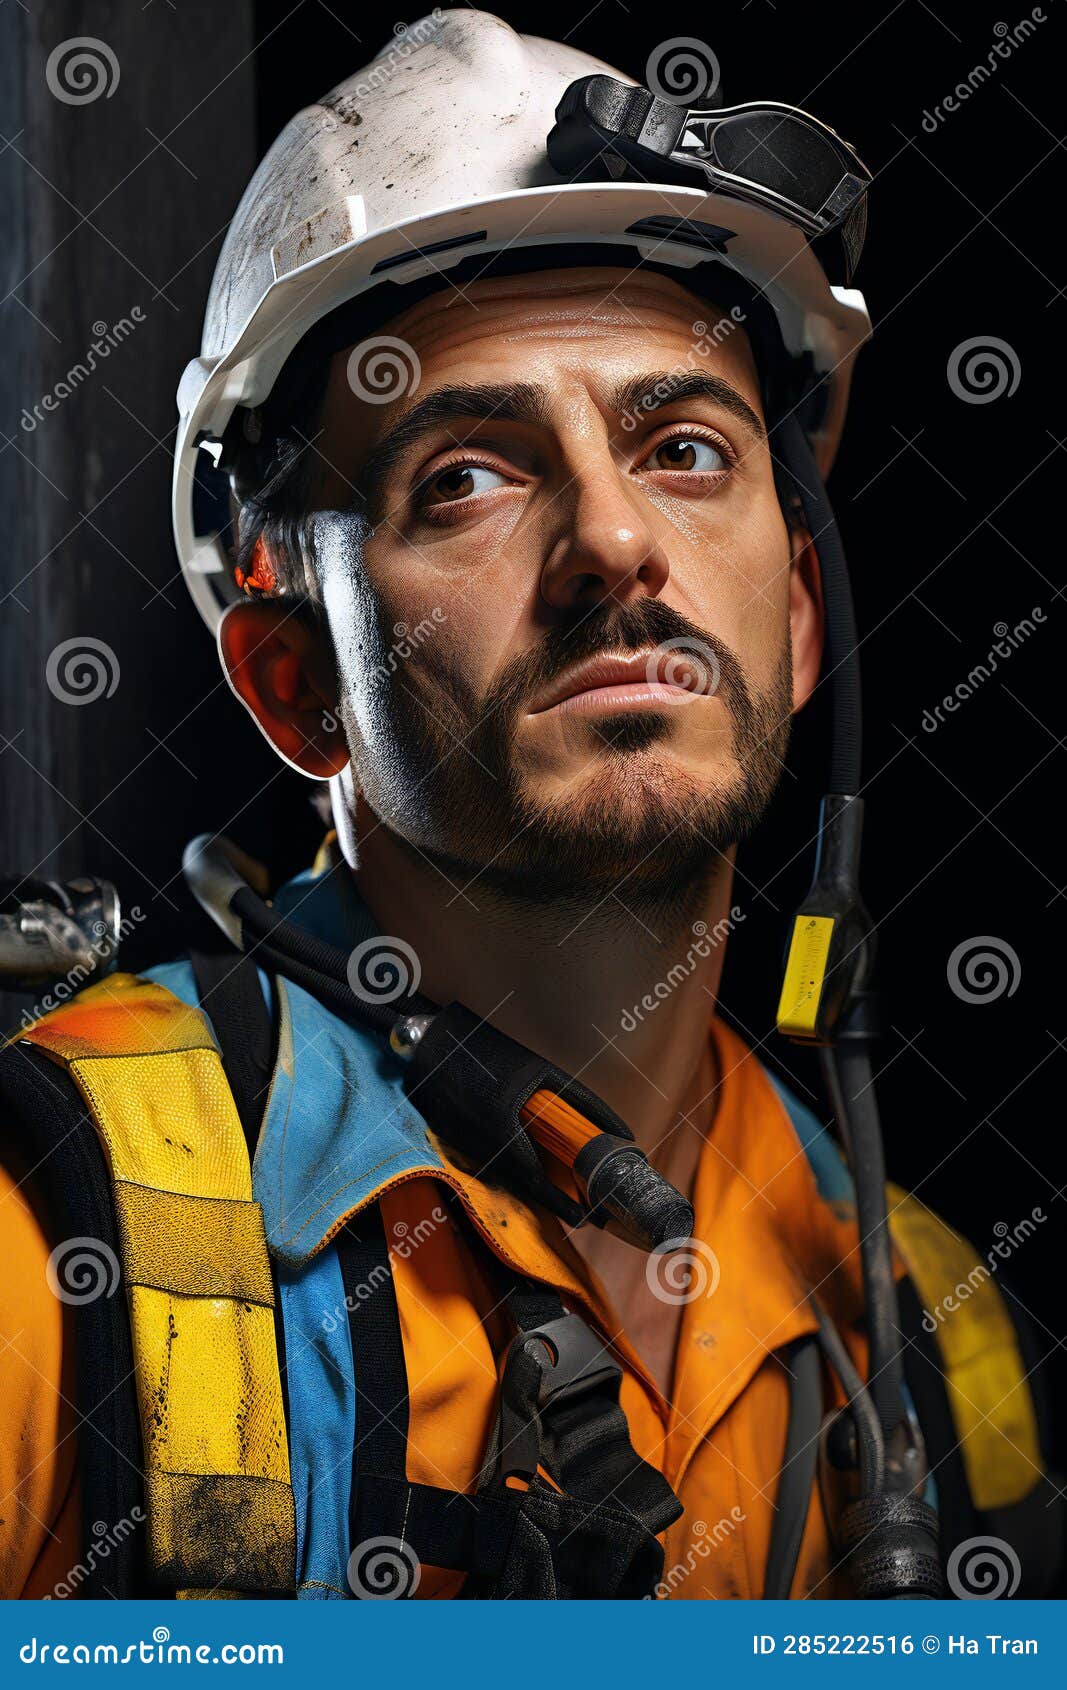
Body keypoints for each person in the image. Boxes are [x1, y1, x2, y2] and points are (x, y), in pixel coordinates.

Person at [0, 10, 1059, 1602]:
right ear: (297, 682)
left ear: (794, 620)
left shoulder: (935, 1332)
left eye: (685, 448)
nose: (617, 543)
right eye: (468, 479)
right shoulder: (56, 1241)